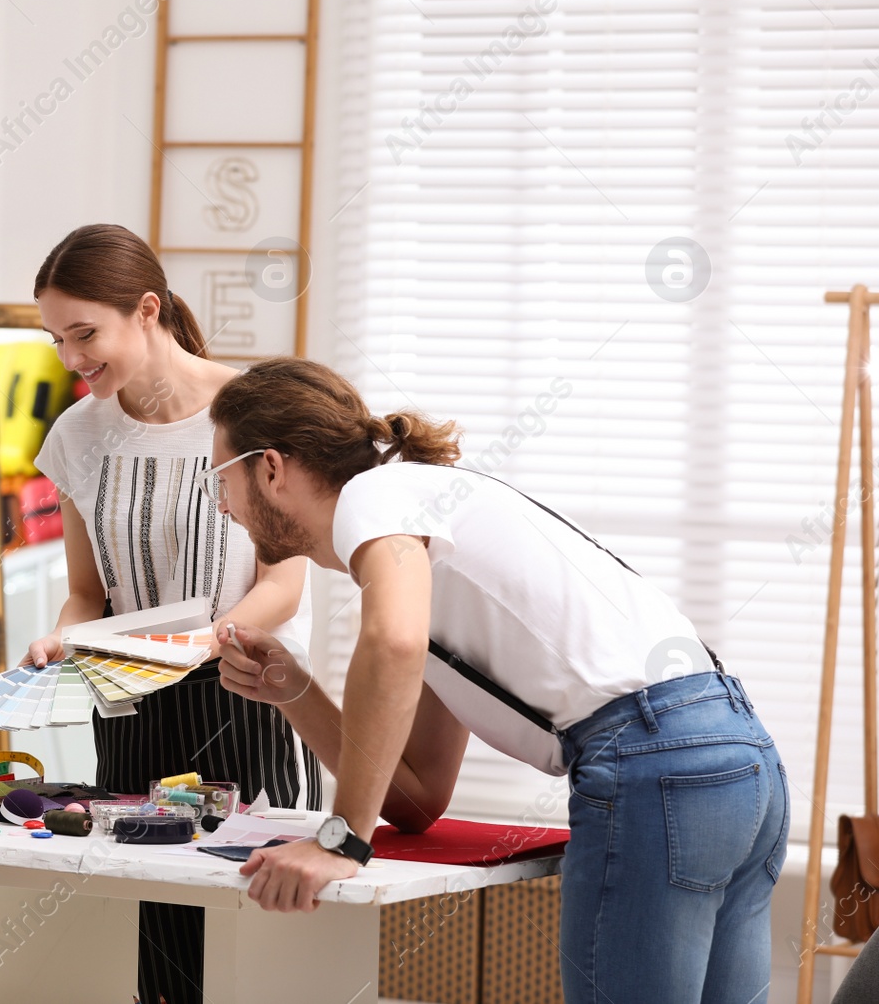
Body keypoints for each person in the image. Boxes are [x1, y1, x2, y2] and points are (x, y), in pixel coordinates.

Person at [206, 357, 787, 1004]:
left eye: (220, 479)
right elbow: (418, 797)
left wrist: (343, 839)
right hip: (739, 761)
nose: (224, 507)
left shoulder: (373, 496)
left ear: (270, 467)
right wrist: (297, 689)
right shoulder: (425, 533)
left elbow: (392, 641)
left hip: (656, 765)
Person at [23, 224, 316, 1004]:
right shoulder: (78, 433)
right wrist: (63, 637)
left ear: (146, 310)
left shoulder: (251, 410)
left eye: (85, 333)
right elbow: (89, 590)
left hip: (245, 689)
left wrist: (212, 638)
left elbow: (285, 576)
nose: (72, 358)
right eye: (57, 339)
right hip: (129, 704)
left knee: (253, 940)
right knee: (156, 951)